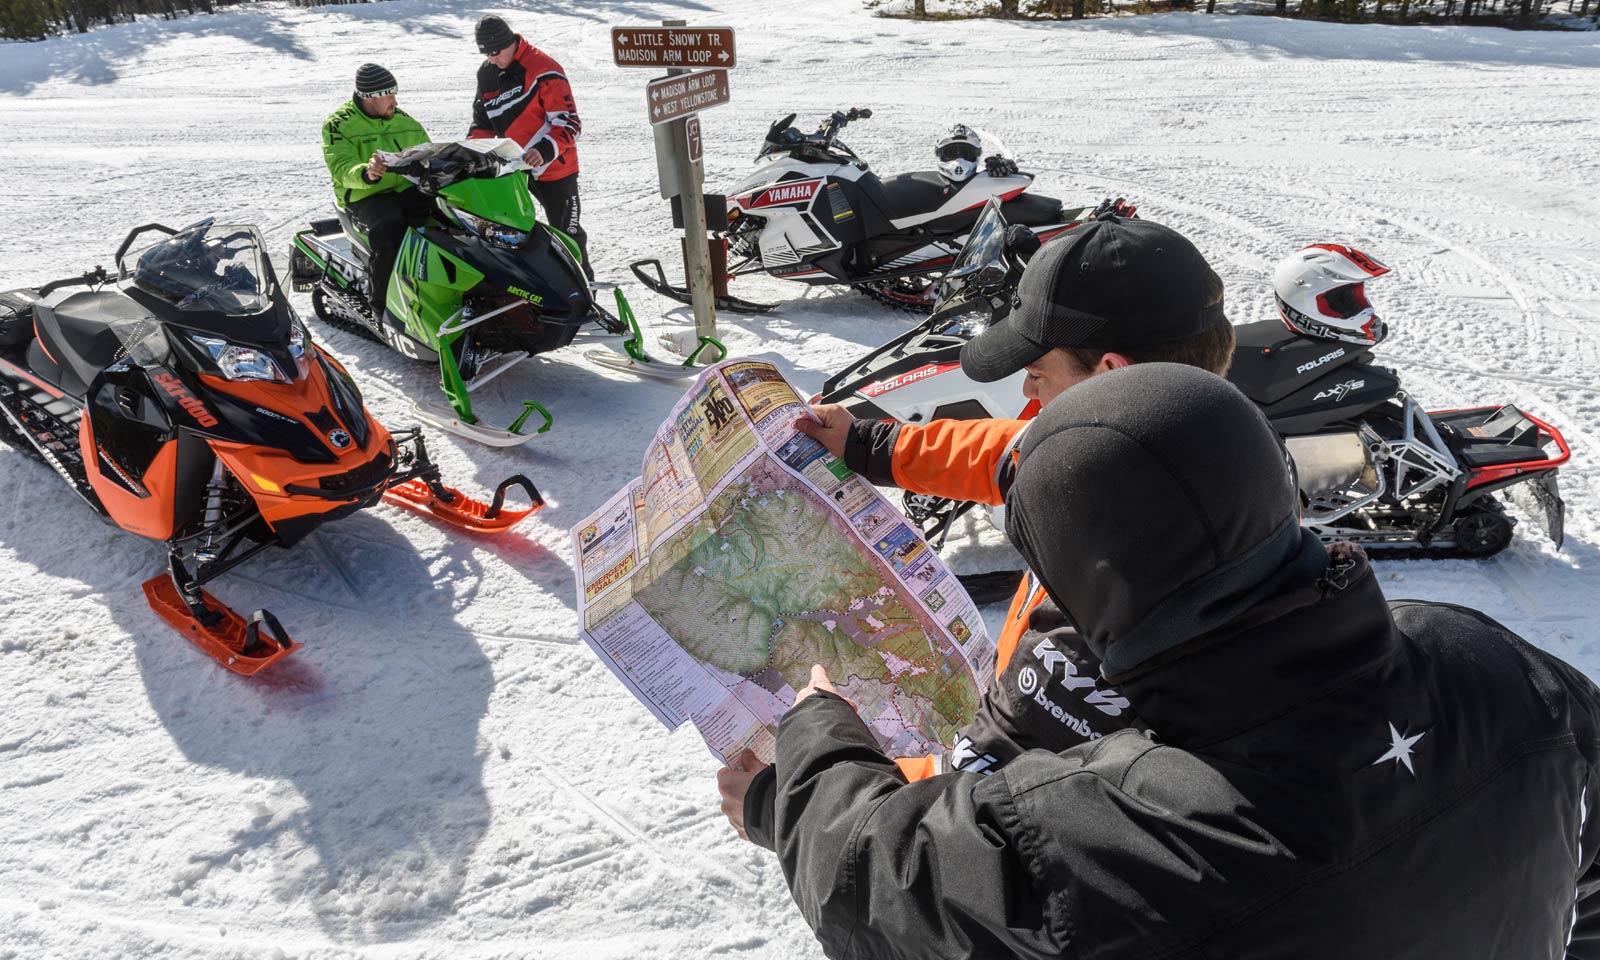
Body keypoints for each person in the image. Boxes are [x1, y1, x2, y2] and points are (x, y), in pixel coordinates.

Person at [763, 362, 1600, 959]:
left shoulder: (1110, 832)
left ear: (1097, 587)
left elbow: (870, 873)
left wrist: (796, 762)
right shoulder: (1492, 662)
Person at [719, 211, 1236, 844]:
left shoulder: (1121, 591)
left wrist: (794, 805)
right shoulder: (1183, 450)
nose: (1027, 388)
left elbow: (958, 829)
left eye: (1039, 374)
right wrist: (870, 446)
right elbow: (1010, 451)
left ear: (1109, 374)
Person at [467, 15, 593, 281]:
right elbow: (482, 123)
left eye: (495, 52)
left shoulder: (543, 68)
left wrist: (544, 151)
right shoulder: (487, 73)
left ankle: (587, 294)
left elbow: (570, 122)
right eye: (485, 53)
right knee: (512, 231)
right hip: (515, 169)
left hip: (555, 168)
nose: (491, 58)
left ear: (510, 43)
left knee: (567, 235)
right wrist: (474, 153)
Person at [321, 63, 432, 316]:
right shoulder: (338, 124)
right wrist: (366, 172)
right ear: (369, 98)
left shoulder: (406, 122)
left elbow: (428, 153)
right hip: (366, 195)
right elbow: (341, 167)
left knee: (447, 219)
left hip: (406, 190)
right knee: (390, 230)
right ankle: (381, 308)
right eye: (388, 94)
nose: (395, 100)